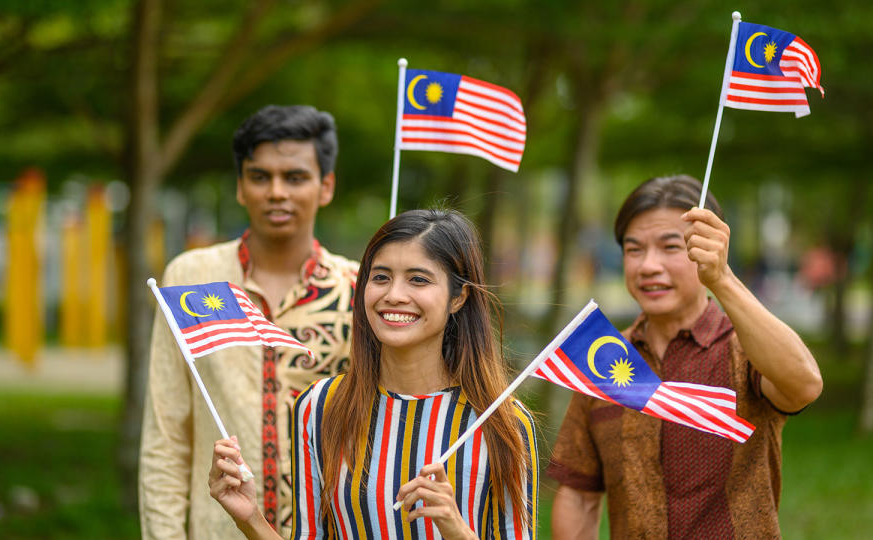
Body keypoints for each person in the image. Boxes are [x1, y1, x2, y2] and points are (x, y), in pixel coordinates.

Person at [208, 209, 539, 539]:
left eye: (418, 279)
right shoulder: (318, 408)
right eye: (380, 277)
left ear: (458, 297)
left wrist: (456, 530)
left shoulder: (502, 421)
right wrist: (250, 518)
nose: (393, 295)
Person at [547, 175, 823, 539]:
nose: (648, 266)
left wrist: (722, 278)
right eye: (634, 249)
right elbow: (579, 497)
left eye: (670, 247)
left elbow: (803, 385)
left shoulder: (743, 348)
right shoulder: (604, 357)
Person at [139, 105, 359, 540]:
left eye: (295, 177)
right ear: (241, 187)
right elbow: (166, 435)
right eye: (260, 177)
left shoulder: (360, 288)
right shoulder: (193, 279)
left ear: (326, 186)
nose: (277, 192)